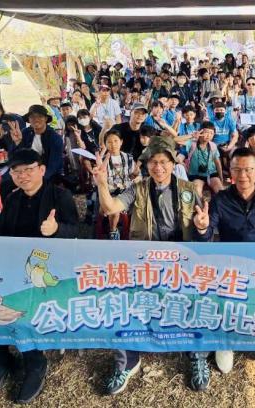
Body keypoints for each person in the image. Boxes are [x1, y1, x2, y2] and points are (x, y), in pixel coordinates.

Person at [92, 136, 211, 394]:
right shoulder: (137, 189)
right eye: (153, 162)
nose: (158, 167)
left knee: (199, 301)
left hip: (182, 263)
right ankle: (127, 361)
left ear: (173, 164)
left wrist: (203, 228)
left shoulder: (189, 189)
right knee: (123, 302)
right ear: (146, 165)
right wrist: (102, 183)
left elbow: (203, 229)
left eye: (164, 162)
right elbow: (110, 207)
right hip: (144, 262)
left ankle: (197, 355)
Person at [0, 149, 79, 403]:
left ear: (42, 170)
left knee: (21, 306)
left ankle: (34, 362)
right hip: (13, 268)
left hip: (49, 271)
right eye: (16, 171)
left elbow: (79, 232)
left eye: (28, 169)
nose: (23, 176)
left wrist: (57, 229)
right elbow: (2, 227)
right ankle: (0, 361)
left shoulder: (61, 196)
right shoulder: (13, 199)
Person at [192, 147, 255, 373]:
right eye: (237, 169)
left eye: (248, 169)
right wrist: (202, 228)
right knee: (228, 306)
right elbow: (206, 236)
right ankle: (226, 343)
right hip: (230, 267)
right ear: (229, 171)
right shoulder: (220, 200)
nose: (243, 175)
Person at [8, 105, 64, 182]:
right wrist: (17, 142)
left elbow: (54, 165)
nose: (36, 119)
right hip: (26, 171)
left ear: (46, 119)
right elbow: (13, 157)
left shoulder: (54, 138)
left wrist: (38, 181)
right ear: (29, 120)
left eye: (40, 116)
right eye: (32, 117)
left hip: (48, 176)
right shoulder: (24, 133)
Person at [100, 129, 135, 240]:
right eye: (109, 142)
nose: (113, 144)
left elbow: (134, 176)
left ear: (121, 142)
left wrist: (136, 176)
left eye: (116, 141)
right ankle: (113, 231)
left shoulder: (129, 158)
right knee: (114, 210)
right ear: (105, 144)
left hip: (127, 192)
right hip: (110, 192)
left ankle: (136, 232)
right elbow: (98, 181)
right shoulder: (102, 160)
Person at [184, 122, 224, 198]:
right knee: (196, 191)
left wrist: (221, 178)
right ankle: (202, 205)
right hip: (196, 175)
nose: (209, 135)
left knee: (220, 191)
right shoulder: (192, 143)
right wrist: (191, 136)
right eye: (206, 132)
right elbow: (175, 139)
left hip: (211, 174)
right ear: (200, 132)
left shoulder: (213, 146)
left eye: (211, 133)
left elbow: (217, 162)